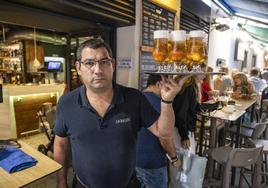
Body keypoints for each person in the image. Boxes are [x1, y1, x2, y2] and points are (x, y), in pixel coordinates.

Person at [53, 37, 186, 188]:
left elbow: (164, 133)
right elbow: (61, 145)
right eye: (89, 63)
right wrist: (61, 181)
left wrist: (167, 101)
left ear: (113, 65)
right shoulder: (66, 103)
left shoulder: (134, 98)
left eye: (104, 62)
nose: (97, 70)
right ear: (78, 67)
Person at [136, 74, 180, 188]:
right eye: (168, 85)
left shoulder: (135, 99)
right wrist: (174, 157)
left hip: (133, 162)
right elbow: (165, 138)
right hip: (153, 163)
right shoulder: (162, 105)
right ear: (159, 84)